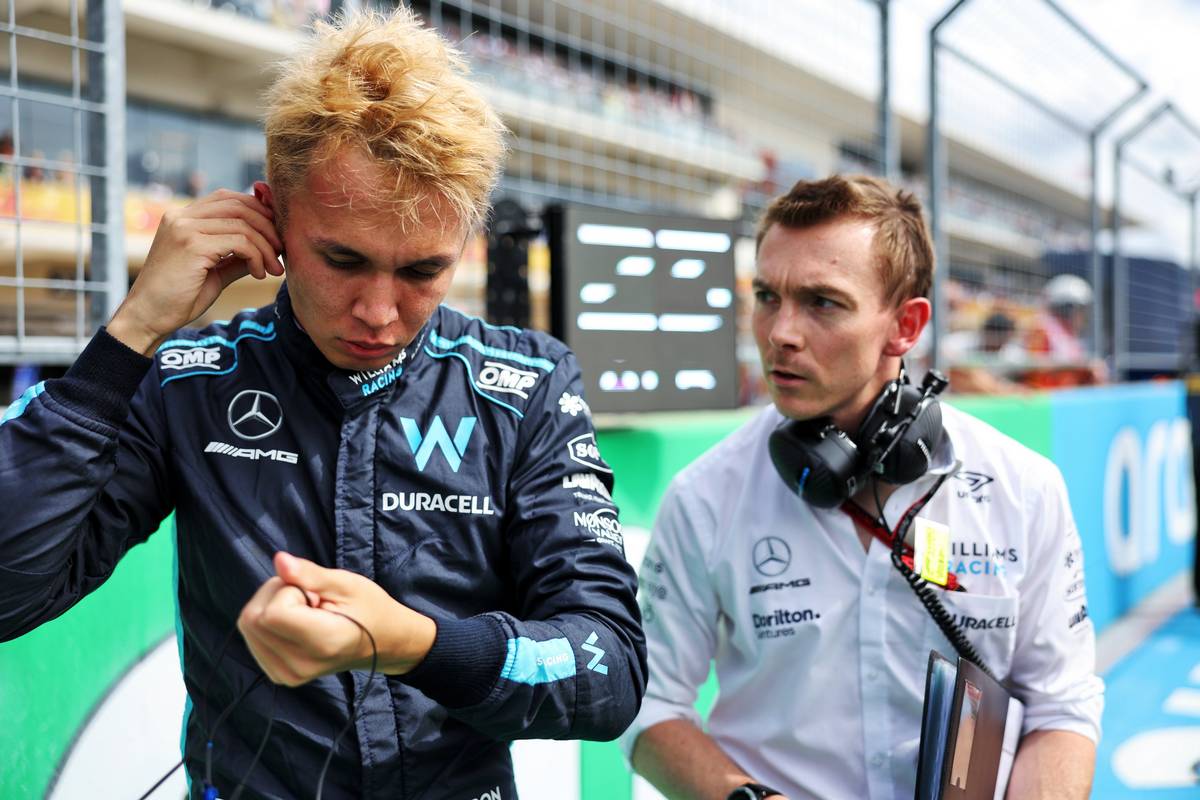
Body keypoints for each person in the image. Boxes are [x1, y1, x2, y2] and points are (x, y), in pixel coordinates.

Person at [0, 8, 645, 799]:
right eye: (343, 260)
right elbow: (11, 588)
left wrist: (416, 645)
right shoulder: (191, 380)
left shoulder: (523, 386)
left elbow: (608, 668)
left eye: (421, 272)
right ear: (272, 218)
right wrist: (130, 333)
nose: (378, 311)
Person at [621, 175, 1103, 800]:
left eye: (822, 302)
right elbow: (648, 704)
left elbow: (1060, 708)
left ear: (905, 326)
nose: (779, 333)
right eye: (767, 295)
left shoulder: (1025, 489)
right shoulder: (705, 495)